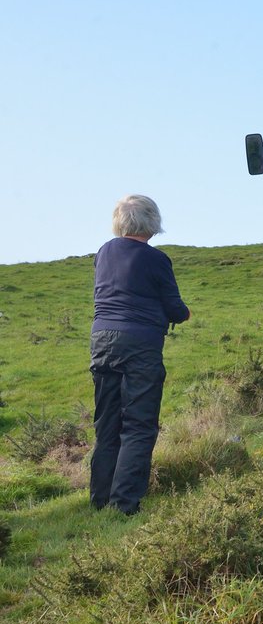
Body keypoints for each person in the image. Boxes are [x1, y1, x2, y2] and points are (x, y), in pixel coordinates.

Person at [89, 195, 190, 515]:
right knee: (138, 425)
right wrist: (184, 314)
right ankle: (124, 505)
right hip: (140, 345)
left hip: (102, 340)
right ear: (153, 221)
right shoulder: (157, 260)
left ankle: (100, 499)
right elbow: (174, 308)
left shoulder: (104, 252)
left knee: (107, 424)